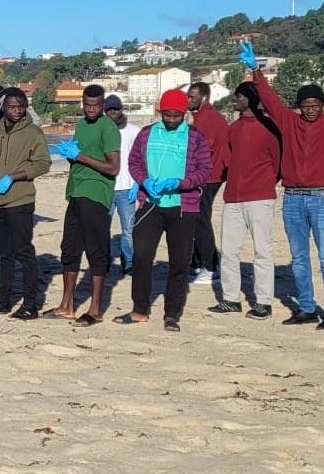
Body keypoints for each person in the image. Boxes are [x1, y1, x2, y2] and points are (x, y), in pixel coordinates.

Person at [240, 33, 324, 330]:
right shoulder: (289, 122)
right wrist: (255, 70)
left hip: (323, 198)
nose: (310, 108)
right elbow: (270, 99)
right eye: (305, 104)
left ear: (323, 105)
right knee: (299, 257)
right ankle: (305, 307)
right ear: (299, 106)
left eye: (315, 104)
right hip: (292, 198)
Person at [118, 88, 214, 332]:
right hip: (151, 205)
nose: (171, 120)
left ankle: (171, 314)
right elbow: (134, 162)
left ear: (184, 113)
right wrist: (143, 180)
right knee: (141, 256)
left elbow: (205, 170)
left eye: (176, 116)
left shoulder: (195, 137)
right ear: (160, 112)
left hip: (182, 208)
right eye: (167, 115)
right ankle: (139, 309)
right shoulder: (147, 133)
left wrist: (181, 183)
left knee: (179, 262)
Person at [45, 84, 120, 326]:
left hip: (96, 194)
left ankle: (96, 309)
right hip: (75, 192)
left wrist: (81, 157)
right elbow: (78, 154)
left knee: (96, 251)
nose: (91, 109)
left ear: (103, 104)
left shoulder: (108, 127)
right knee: (69, 249)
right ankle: (67, 305)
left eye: (96, 105)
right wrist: (71, 155)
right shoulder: (80, 125)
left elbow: (113, 167)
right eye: (87, 105)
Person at [0, 88, 50, 319]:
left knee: (24, 252)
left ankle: (30, 304)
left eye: (21, 106)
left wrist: (16, 176)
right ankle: (2, 300)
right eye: (12, 106)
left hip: (20, 201)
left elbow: (43, 163)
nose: (17, 111)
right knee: (2, 254)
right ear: (3, 108)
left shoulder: (33, 133)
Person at [211, 81, 282, 320]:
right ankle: (231, 298)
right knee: (230, 251)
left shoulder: (270, 127)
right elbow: (228, 160)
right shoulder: (234, 128)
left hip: (260, 197)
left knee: (262, 251)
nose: (235, 100)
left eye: (239, 97)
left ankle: (263, 302)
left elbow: (278, 162)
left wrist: (265, 182)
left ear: (250, 99)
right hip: (233, 197)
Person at [186, 81, 231, 287]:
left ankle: (210, 266)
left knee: (200, 220)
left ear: (204, 97)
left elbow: (201, 149)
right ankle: (197, 262)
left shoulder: (207, 119)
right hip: (211, 174)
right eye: (188, 96)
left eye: (192, 96)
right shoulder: (204, 117)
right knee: (196, 218)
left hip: (207, 176)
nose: (189, 100)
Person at [104, 94, 142, 277]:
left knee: (129, 228)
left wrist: (137, 183)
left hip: (127, 187)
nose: (113, 112)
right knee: (103, 227)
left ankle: (129, 263)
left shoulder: (133, 131)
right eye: (110, 109)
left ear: (121, 110)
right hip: (106, 187)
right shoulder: (101, 130)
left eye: (116, 109)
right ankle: (103, 261)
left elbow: (140, 158)